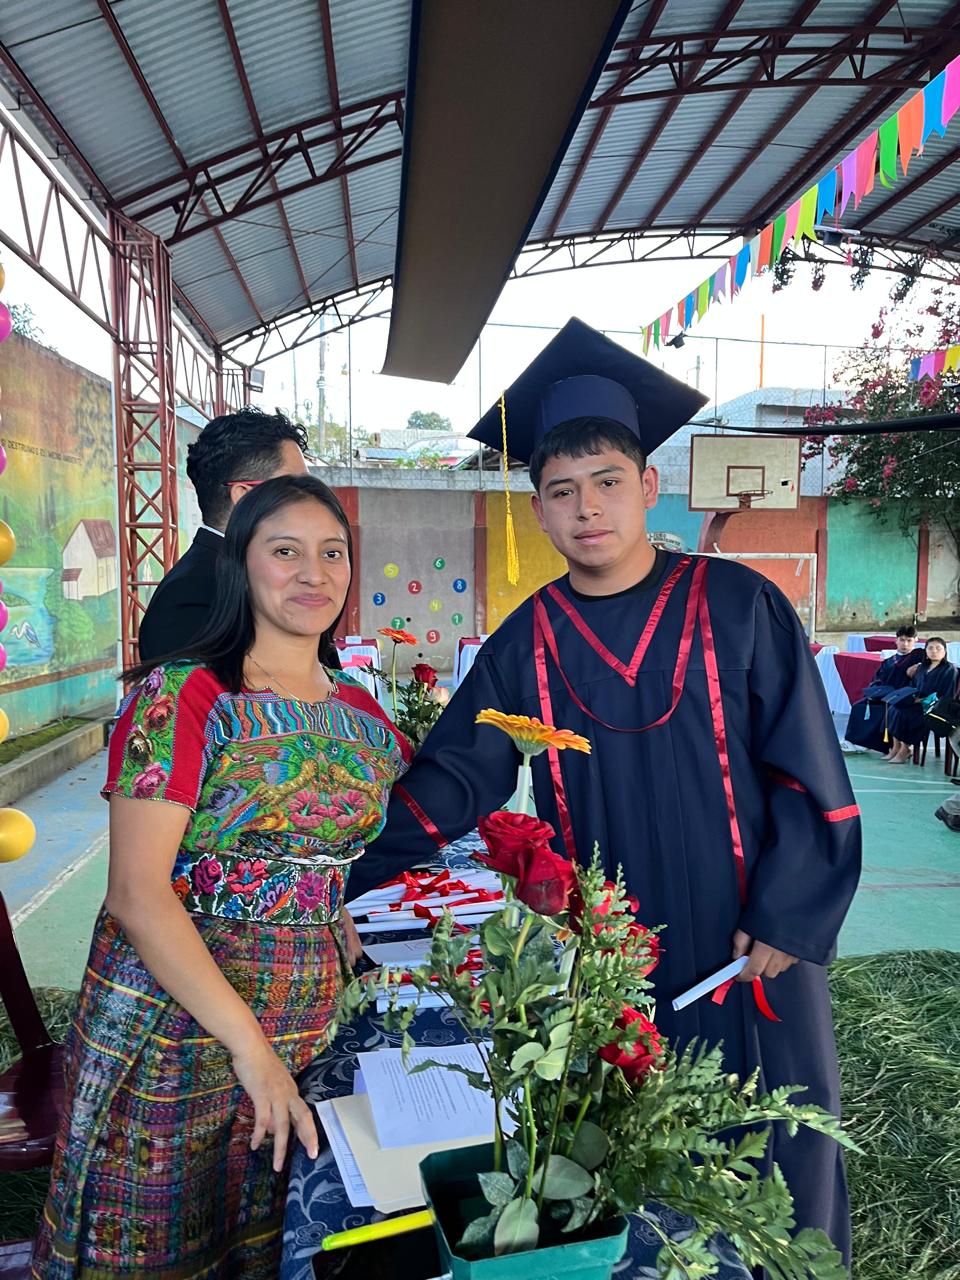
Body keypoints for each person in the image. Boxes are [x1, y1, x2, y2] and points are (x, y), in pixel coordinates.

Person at [350, 319, 862, 1264]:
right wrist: (351, 871)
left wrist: (790, 917)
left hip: (751, 939)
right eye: (562, 491)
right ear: (539, 512)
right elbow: (456, 773)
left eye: (608, 482)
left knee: (781, 1138)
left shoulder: (738, 605)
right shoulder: (524, 643)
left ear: (649, 488)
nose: (588, 508)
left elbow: (806, 770)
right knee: (634, 1136)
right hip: (617, 944)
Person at [34, 475, 410, 1279]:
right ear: (241, 563)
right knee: (156, 1236)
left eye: (332, 553)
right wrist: (250, 1048)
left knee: (266, 1230)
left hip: (305, 1016)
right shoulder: (185, 694)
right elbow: (136, 893)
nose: (313, 574)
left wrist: (337, 924)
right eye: (286, 551)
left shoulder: (364, 711)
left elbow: (323, 853)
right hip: (175, 1018)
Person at [138, 406, 342, 668]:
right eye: (292, 489)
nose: (309, 499)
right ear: (245, 496)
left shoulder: (257, 576)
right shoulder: (190, 599)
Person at [844, 624, 924, 752]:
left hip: (902, 697)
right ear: (896, 640)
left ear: (916, 640)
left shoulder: (918, 656)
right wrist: (876, 690)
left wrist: (920, 666)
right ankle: (853, 740)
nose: (905, 644)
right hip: (885, 694)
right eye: (902, 640)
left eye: (909, 640)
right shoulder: (889, 661)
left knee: (881, 710)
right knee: (859, 705)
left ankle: (866, 743)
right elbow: (878, 679)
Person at [883, 637, 957, 764]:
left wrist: (921, 700)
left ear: (945, 651)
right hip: (917, 702)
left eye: (938, 648)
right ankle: (896, 747)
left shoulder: (949, 670)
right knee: (894, 708)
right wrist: (908, 697)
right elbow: (913, 686)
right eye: (930, 648)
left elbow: (947, 695)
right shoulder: (922, 667)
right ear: (926, 651)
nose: (934, 651)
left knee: (906, 714)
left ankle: (905, 749)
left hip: (934, 706)